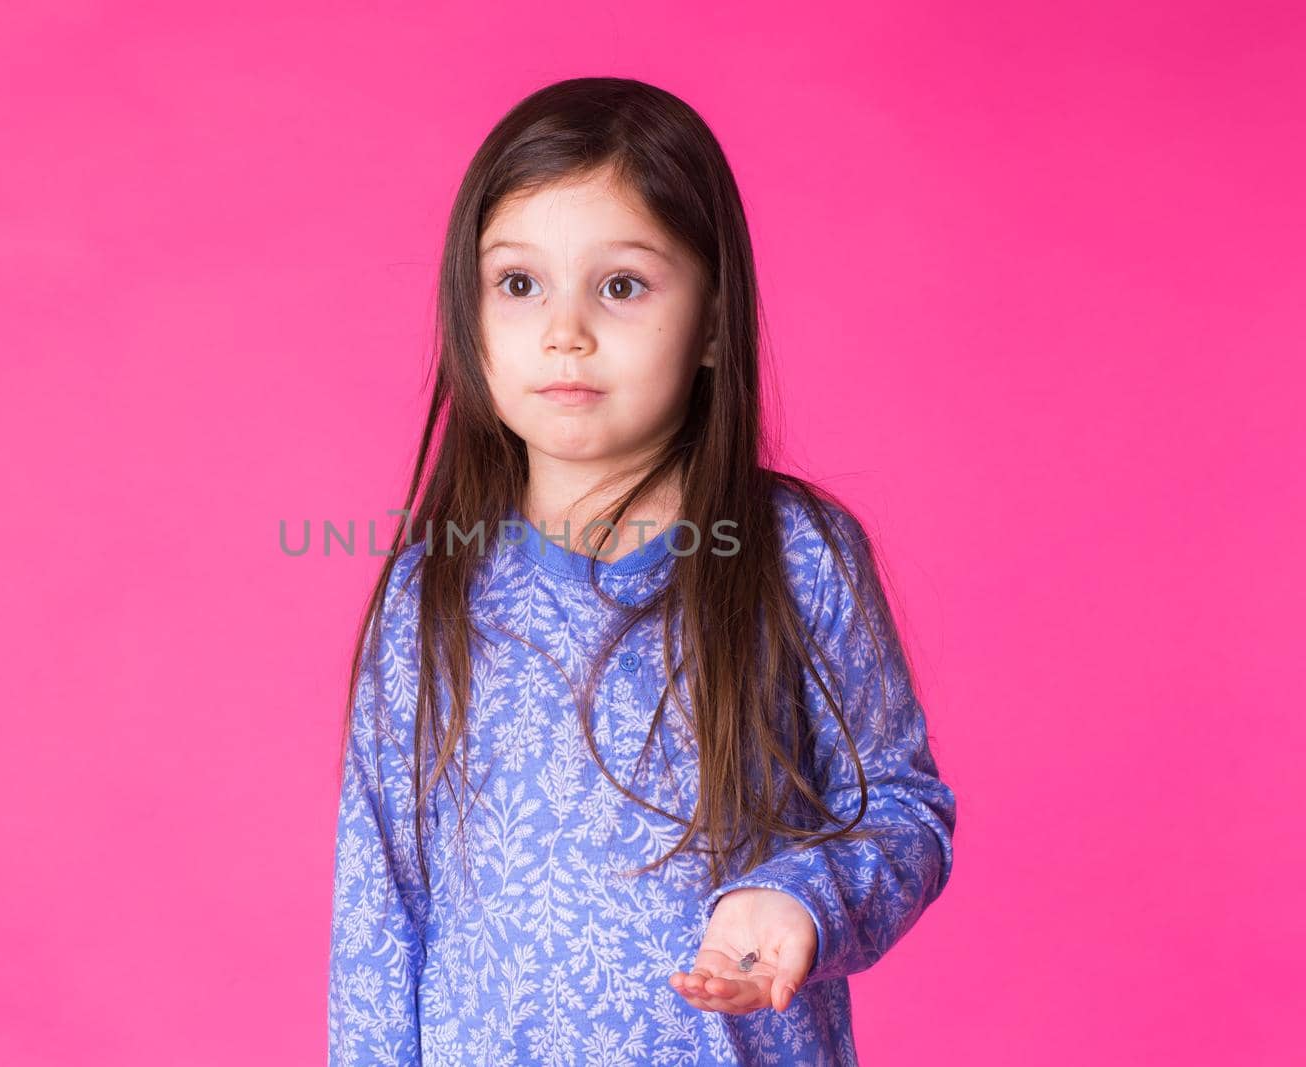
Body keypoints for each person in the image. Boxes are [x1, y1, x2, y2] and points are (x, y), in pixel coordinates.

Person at [326, 76, 956, 1066]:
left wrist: (804, 894)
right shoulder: (428, 594)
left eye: (621, 285)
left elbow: (903, 808)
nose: (564, 330)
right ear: (469, 313)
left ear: (711, 322)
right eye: (519, 283)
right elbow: (380, 909)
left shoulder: (795, 556)